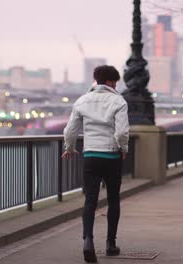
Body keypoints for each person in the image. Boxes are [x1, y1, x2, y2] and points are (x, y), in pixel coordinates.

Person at [62, 65, 129, 263]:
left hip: (91, 155)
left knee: (90, 200)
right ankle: (110, 244)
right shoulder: (118, 101)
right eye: (115, 82)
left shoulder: (82, 100)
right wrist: (123, 149)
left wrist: (70, 148)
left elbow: (70, 130)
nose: (116, 85)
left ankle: (88, 241)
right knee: (114, 199)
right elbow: (122, 132)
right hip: (111, 156)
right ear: (110, 82)